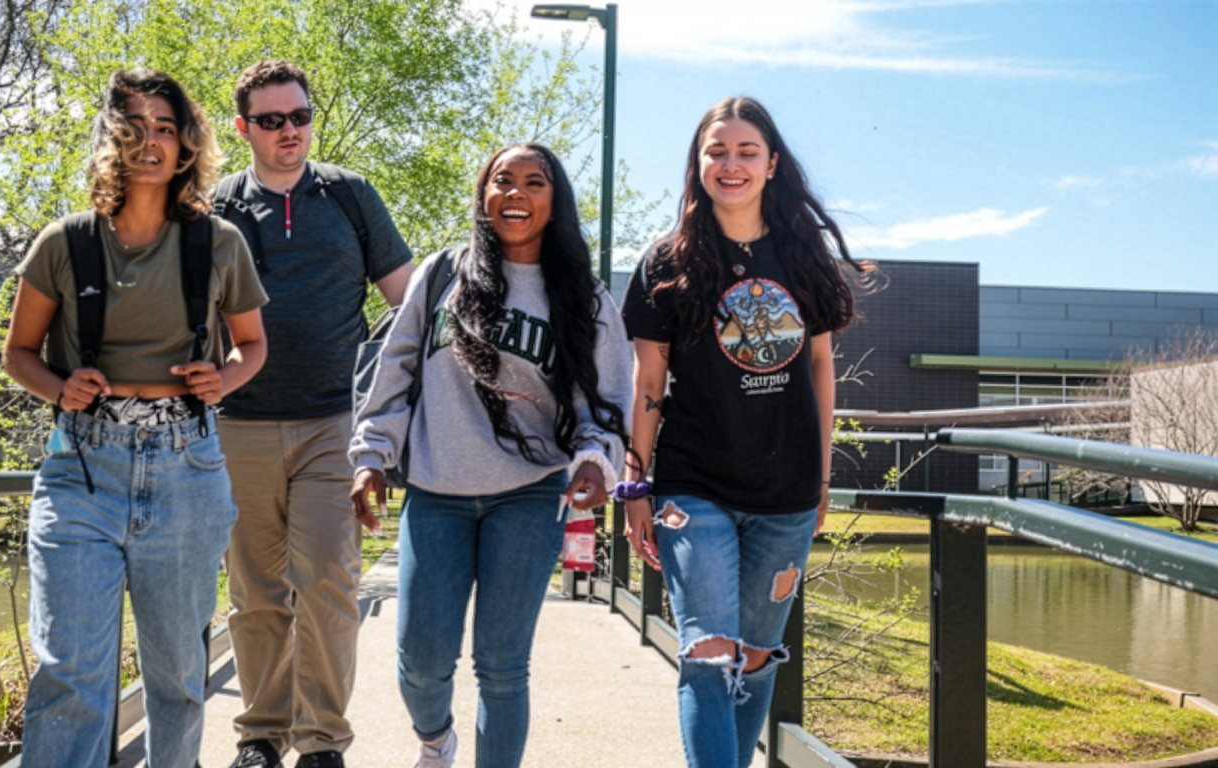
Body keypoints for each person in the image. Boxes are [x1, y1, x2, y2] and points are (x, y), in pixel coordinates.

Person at [2, 68, 268, 768]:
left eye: (165, 127)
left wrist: (227, 376)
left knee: (179, 675)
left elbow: (253, 343)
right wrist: (61, 388)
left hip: (187, 468)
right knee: (71, 671)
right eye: (134, 127)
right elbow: (19, 354)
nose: (150, 142)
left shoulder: (219, 244)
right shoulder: (65, 242)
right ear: (110, 140)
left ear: (187, 145)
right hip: (82, 470)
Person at [350, 142, 632, 768]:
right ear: (484, 193)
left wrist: (594, 459)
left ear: (554, 200)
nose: (516, 193)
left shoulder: (581, 297)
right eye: (502, 180)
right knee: (421, 662)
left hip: (529, 494)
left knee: (502, 665)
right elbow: (394, 370)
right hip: (436, 491)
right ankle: (437, 739)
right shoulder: (444, 274)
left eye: (534, 182)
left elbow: (606, 399)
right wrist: (370, 453)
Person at [620, 96, 862, 768]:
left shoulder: (802, 257)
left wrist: (820, 478)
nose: (731, 164)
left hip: (784, 492)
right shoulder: (665, 263)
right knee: (708, 653)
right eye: (716, 151)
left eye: (746, 151)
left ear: (772, 164)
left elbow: (819, 366)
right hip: (692, 487)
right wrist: (636, 483)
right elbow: (647, 385)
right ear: (698, 166)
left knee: (754, 663)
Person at [215, 59, 414, 768]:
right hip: (239, 424)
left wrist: (392, 402)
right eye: (271, 121)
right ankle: (262, 735)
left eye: (300, 116)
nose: (289, 131)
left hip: (337, 424)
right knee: (257, 593)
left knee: (329, 580)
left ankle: (323, 740)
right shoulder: (218, 209)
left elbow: (408, 303)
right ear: (243, 129)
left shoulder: (350, 196)